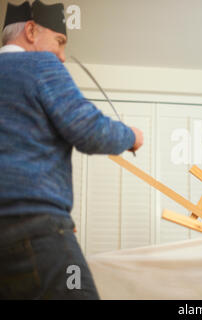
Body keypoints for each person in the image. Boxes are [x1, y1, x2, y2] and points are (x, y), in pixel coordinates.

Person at [0, 1, 143, 299]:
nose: (62, 56)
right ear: (30, 30)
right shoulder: (40, 64)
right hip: (39, 231)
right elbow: (87, 129)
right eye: (60, 41)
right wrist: (130, 135)